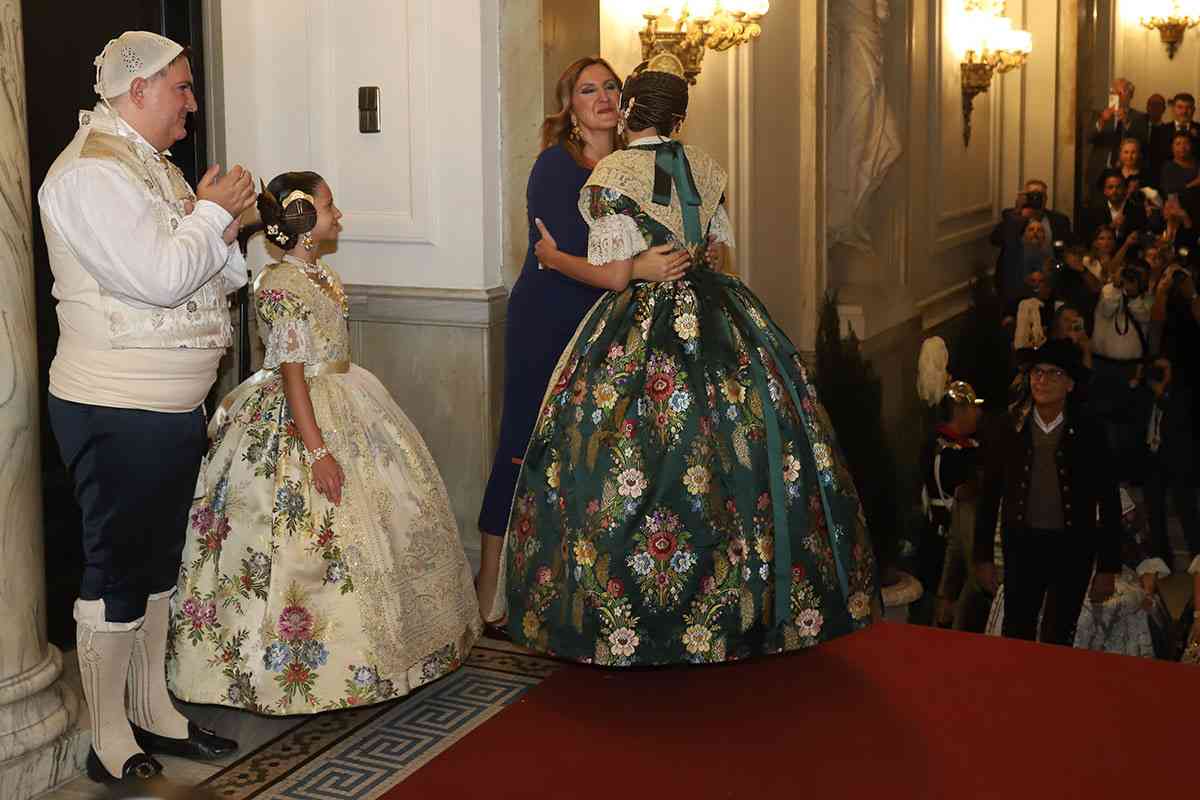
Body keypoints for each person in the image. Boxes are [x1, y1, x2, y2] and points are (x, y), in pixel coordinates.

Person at [492, 53, 879, 665]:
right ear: (679, 116)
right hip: (718, 317)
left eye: (614, 93)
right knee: (727, 451)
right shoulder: (706, 166)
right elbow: (716, 249)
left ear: (629, 111)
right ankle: (737, 606)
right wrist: (692, 255)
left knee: (628, 456)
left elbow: (614, 276)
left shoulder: (615, 173)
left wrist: (561, 258)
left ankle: (635, 617)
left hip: (638, 321)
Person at [167, 172, 481, 713]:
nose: (340, 216)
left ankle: (390, 653)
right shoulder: (279, 284)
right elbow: (292, 373)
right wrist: (316, 452)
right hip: (302, 414)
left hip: (346, 396)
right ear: (304, 219)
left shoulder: (320, 274)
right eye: (331, 206)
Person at [37, 32, 252, 785]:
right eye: (182, 87)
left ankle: (153, 709)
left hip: (169, 407)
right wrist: (208, 216)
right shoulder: (90, 172)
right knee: (117, 570)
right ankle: (107, 737)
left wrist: (220, 224)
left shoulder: (152, 164)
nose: (192, 102)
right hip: (115, 405)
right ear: (139, 91)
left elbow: (217, 277)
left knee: (158, 567)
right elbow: (159, 278)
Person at [474, 57, 693, 634]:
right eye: (587, 89)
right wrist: (635, 268)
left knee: (590, 454)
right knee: (523, 442)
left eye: (611, 87)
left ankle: (567, 588)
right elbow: (567, 258)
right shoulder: (556, 166)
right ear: (569, 107)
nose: (602, 97)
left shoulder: (637, 165)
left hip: (609, 324)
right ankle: (489, 586)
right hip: (549, 318)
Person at [975, 339, 1121, 645]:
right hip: (1022, 546)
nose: (1042, 380)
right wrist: (983, 556)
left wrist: (1108, 566)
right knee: (1017, 632)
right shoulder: (1009, 426)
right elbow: (988, 495)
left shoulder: (1090, 430)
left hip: (1072, 548)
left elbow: (1109, 499)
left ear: (1070, 384)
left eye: (1054, 373)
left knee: (1058, 635)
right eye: (1037, 373)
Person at [914, 338, 984, 629]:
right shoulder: (949, 452)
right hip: (944, 544)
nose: (979, 412)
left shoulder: (967, 446)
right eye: (974, 408)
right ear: (961, 411)